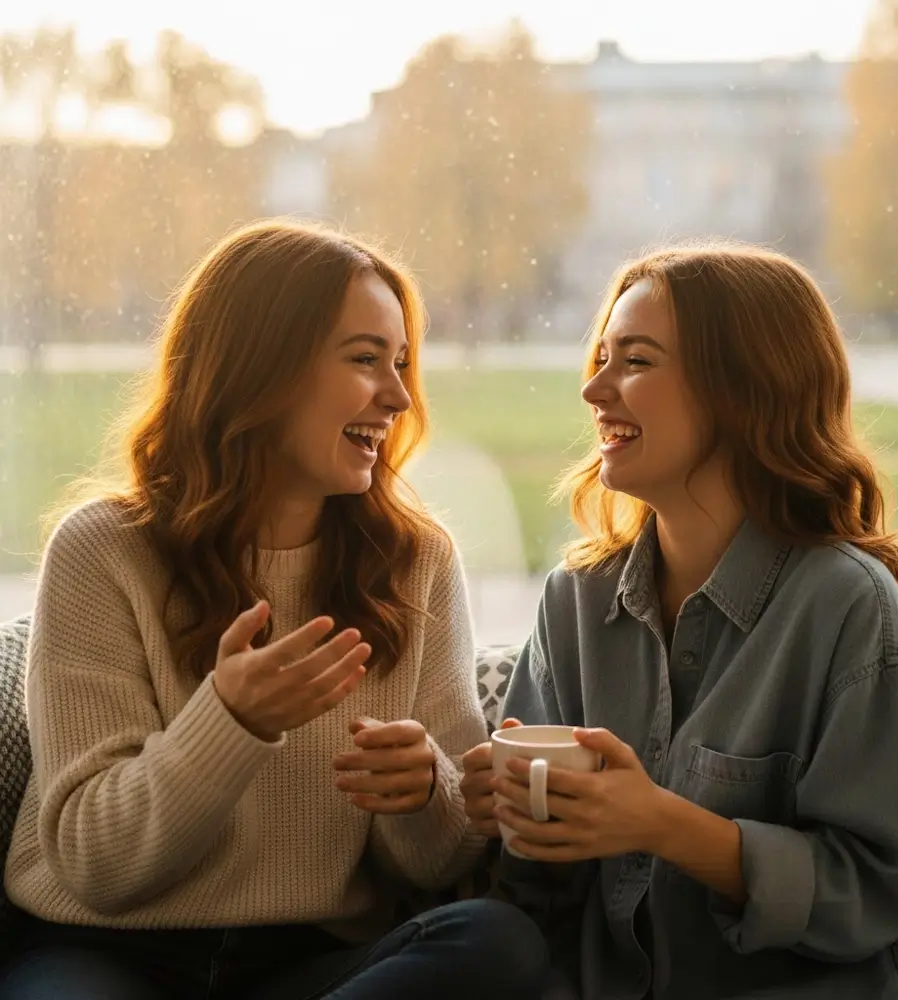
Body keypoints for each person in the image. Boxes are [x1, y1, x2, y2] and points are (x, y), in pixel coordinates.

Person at [0, 221, 548, 1000]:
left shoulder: (418, 562)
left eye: (399, 363)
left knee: (499, 944)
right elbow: (99, 864)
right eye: (365, 359)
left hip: (310, 964)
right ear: (257, 369)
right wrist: (229, 721)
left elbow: (439, 863)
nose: (397, 396)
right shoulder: (102, 551)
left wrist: (426, 789)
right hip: (106, 953)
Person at [461, 244, 898, 1000]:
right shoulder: (575, 604)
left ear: (743, 392)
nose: (594, 388)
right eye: (601, 357)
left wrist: (662, 824)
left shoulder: (850, 613)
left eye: (637, 361)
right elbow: (538, 896)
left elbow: (875, 903)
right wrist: (505, 815)